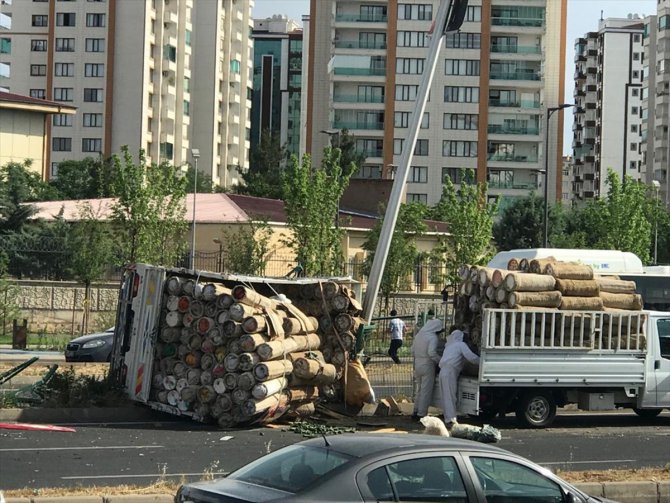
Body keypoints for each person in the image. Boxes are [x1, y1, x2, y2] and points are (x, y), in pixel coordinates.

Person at [438, 329, 480, 427]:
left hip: (443, 371)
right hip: (450, 372)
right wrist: (482, 361)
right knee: (450, 396)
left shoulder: (449, 346)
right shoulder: (460, 345)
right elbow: (471, 358)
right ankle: (451, 419)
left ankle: (448, 417)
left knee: (446, 396)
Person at [410, 318, 443, 420]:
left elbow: (412, 350)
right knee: (426, 391)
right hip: (427, 365)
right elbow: (432, 353)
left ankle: (415, 411)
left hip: (417, 363)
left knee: (419, 390)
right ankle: (421, 414)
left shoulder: (419, 335)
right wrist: (441, 361)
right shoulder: (432, 337)